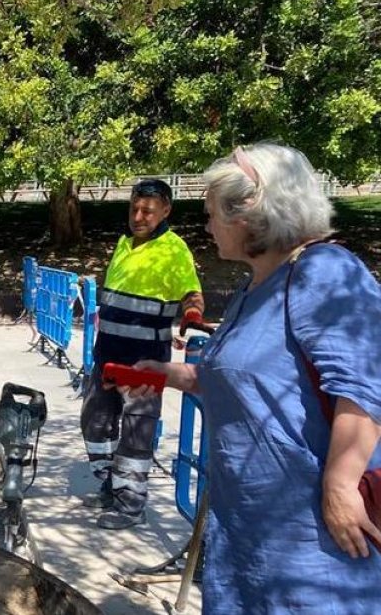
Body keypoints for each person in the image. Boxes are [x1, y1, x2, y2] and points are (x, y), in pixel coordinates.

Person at [124, 144, 381, 613]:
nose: (205, 226)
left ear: (250, 214)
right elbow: (242, 382)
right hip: (245, 530)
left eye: (210, 214)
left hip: (311, 543)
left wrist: (341, 487)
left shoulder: (324, 271)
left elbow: (364, 386)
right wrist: (170, 374)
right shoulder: (255, 284)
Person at [80, 178, 205, 530]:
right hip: (106, 356)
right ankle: (108, 485)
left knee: (137, 432)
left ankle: (131, 506)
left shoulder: (174, 249)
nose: (138, 216)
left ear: (166, 210)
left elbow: (191, 292)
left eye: (147, 211)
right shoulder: (124, 242)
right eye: (134, 208)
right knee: (95, 422)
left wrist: (192, 315)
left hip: (144, 361)